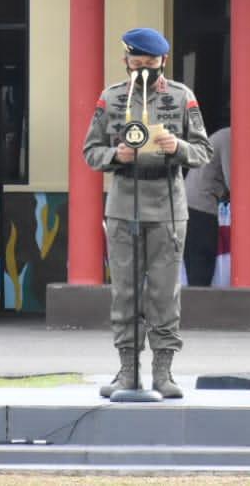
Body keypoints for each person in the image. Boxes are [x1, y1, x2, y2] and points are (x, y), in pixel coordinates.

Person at [82, 27, 211, 398]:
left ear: (163, 62)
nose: (143, 70)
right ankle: (127, 371)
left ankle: (163, 372)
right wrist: (114, 156)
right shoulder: (111, 98)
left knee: (165, 293)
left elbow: (204, 151)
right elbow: (90, 150)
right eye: (136, 64)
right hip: (124, 205)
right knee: (124, 292)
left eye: (150, 64)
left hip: (168, 207)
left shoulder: (182, 97)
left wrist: (179, 146)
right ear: (126, 61)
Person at [183, 102, 250, 287]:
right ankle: (195, 313)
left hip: (198, 207)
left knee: (201, 266)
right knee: (201, 266)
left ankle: (195, 310)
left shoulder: (237, 137)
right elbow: (238, 186)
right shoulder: (233, 137)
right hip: (199, 208)